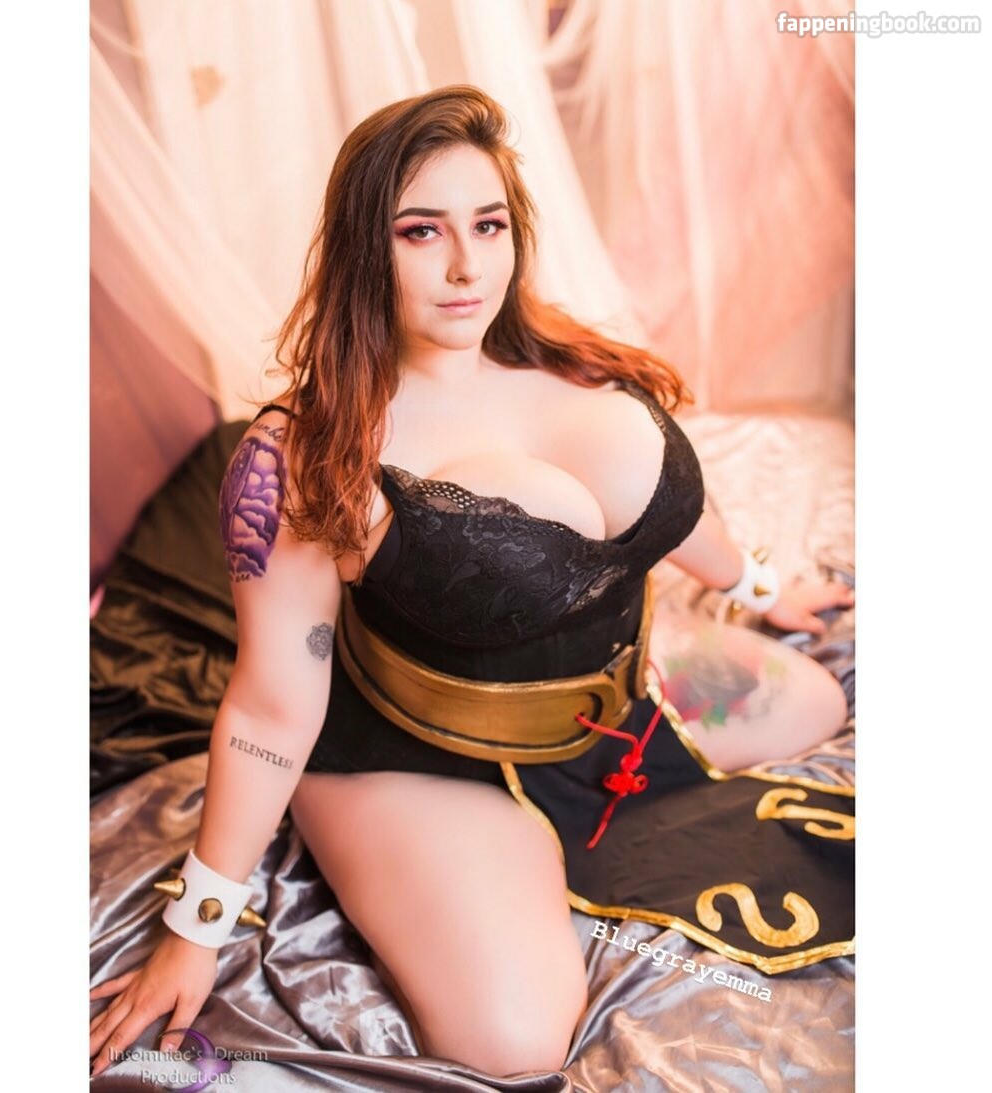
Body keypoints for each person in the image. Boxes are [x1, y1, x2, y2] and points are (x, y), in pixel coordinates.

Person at [89, 85, 853, 1079]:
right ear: (364, 249)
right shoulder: (304, 454)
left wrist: (755, 586)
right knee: (513, 1041)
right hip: (418, 755)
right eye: (421, 231)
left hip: (610, 706)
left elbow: (672, 508)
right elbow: (272, 702)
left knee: (814, 698)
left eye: (487, 225)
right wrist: (196, 926)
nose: (466, 266)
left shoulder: (573, 363)